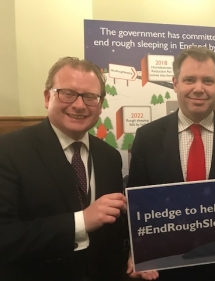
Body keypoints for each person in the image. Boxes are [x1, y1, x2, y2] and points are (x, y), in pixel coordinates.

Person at [125, 46, 215, 281]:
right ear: (175, 83)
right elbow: (135, 206)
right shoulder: (147, 137)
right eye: (189, 79)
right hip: (164, 267)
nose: (198, 89)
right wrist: (135, 252)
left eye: (207, 81)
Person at [0, 57, 128, 281]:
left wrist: (133, 256)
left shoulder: (110, 157)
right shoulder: (8, 151)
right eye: (67, 93)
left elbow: (113, 231)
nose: (79, 105)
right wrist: (81, 221)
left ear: (100, 105)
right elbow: (6, 236)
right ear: (48, 97)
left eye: (90, 97)